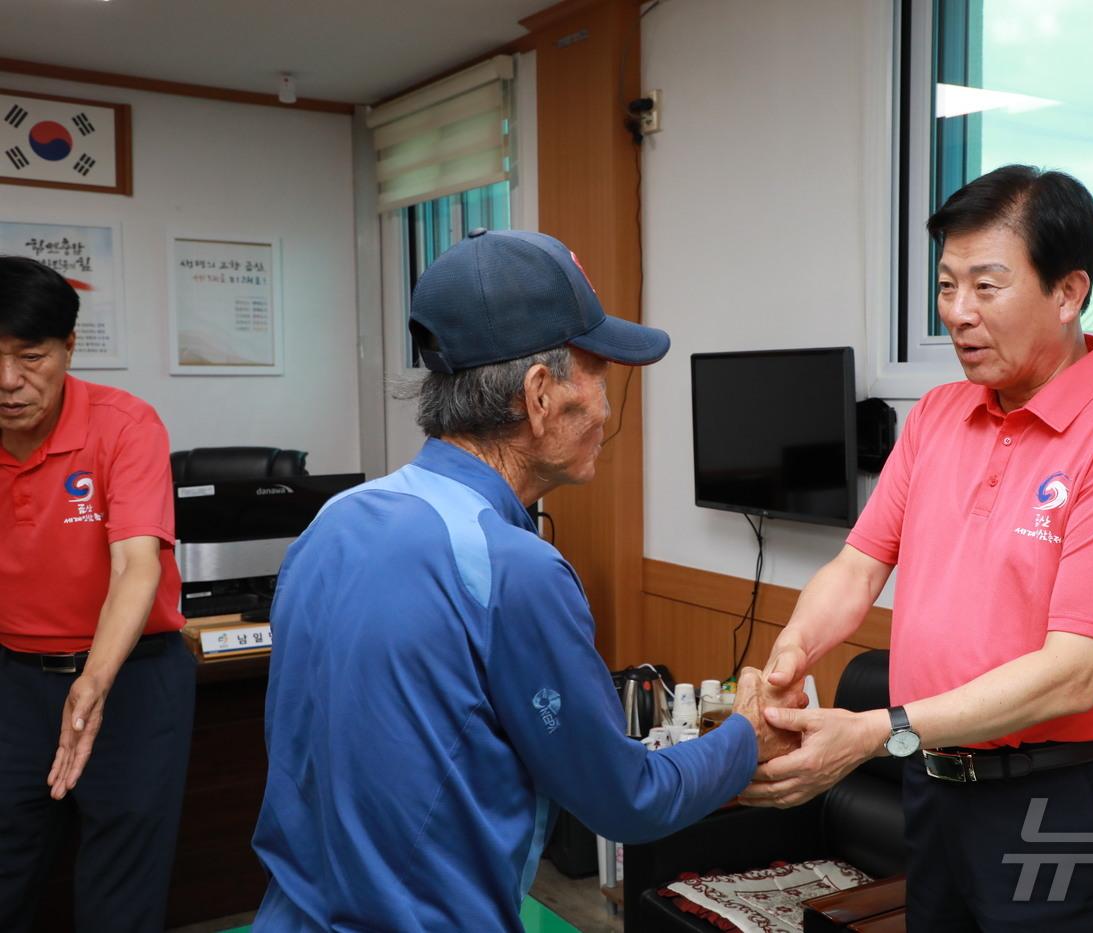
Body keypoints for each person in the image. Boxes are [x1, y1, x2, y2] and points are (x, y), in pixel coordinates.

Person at [251, 228, 800, 932]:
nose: (606, 409)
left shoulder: (336, 519)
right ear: (539, 395)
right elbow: (627, 799)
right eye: (598, 377)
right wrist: (747, 736)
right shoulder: (514, 568)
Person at [743, 165, 1093, 931]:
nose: (958, 312)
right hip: (938, 785)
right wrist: (791, 654)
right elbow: (858, 565)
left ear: (1068, 292)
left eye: (986, 287)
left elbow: (1073, 675)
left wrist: (875, 731)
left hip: (1067, 800)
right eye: (947, 286)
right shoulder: (937, 415)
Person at [0, 256, 193, 933]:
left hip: (132, 678)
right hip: (13, 680)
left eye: (31, 357)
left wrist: (94, 682)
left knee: (121, 889)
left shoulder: (125, 425)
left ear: (69, 347)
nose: (8, 381)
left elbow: (136, 565)